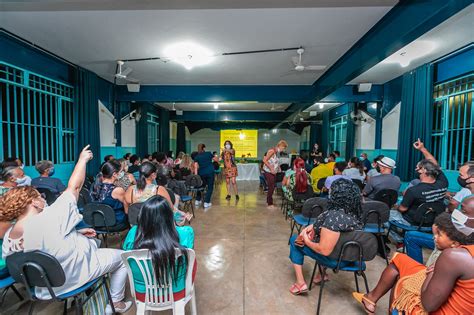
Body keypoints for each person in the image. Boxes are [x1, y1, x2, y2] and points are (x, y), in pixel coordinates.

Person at [0, 146, 132, 312]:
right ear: (33, 203)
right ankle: (116, 303)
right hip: (73, 278)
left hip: (43, 288)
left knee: (93, 242)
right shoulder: (51, 218)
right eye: (39, 196)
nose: (42, 198)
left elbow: (39, 249)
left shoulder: (8, 237)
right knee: (121, 257)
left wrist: (76, 232)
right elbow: (74, 187)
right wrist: (82, 159)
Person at [353, 198, 474, 314]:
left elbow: (428, 304)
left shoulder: (454, 256)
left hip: (441, 308)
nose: (456, 212)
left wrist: (432, 272)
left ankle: (379, 302)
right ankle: (370, 298)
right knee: (399, 259)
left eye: (462, 210)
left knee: (403, 281)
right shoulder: (463, 246)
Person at [288, 179, 363, 294]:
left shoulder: (332, 218)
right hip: (355, 258)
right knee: (324, 238)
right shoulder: (357, 214)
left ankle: (300, 283)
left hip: (336, 260)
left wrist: (307, 240)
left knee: (295, 240)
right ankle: (321, 274)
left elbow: (324, 250)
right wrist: (314, 226)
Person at [122, 195, 196, 302]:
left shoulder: (133, 233)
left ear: (143, 215)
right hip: (177, 291)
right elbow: (189, 260)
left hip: (143, 292)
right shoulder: (186, 232)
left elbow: (127, 252)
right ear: (170, 216)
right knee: (192, 258)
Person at [390, 139, 448, 238]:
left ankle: (400, 238)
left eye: (417, 167)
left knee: (387, 214)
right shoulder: (443, 182)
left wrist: (396, 207)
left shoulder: (413, 190)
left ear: (423, 170)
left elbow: (402, 209)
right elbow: (435, 165)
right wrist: (422, 149)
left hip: (414, 223)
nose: (416, 169)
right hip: (433, 220)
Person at [91, 160, 129, 229]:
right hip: (114, 222)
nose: (121, 174)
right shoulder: (117, 190)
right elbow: (127, 209)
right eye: (120, 172)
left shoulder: (95, 186)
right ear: (114, 174)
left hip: (97, 221)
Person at [263, 140, 288, 210]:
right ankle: (270, 204)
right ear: (280, 146)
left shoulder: (276, 152)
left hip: (273, 172)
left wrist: (278, 167)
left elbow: (274, 161)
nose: (284, 150)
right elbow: (264, 160)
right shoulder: (272, 151)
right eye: (284, 148)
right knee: (271, 187)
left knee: (272, 186)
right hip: (268, 172)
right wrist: (271, 168)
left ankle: (269, 201)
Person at [193, 144, 219, 209]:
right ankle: (206, 202)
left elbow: (195, 167)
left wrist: (196, 176)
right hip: (210, 172)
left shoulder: (197, 156)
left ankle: (197, 200)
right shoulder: (208, 153)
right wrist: (216, 157)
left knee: (201, 186)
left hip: (201, 173)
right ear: (204, 148)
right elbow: (216, 160)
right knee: (210, 187)